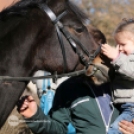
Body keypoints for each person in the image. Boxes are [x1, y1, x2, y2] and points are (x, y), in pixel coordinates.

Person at [101, 18, 134, 134]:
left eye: (123, 44)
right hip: (121, 105)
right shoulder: (123, 60)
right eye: (117, 44)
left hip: (132, 107)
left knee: (115, 130)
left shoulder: (128, 59)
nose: (119, 48)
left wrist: (116, 58)